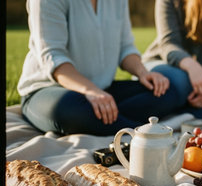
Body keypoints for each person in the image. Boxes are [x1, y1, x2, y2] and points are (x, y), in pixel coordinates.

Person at [17, 0, 182, 136]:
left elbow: (126, 48)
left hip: (103, 91)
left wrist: (143, 72)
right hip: (49, 90)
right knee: (73, 110)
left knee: (167, 92)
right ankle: (144, 135)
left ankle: (108, 121)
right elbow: (53, 57)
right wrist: (90, 90)